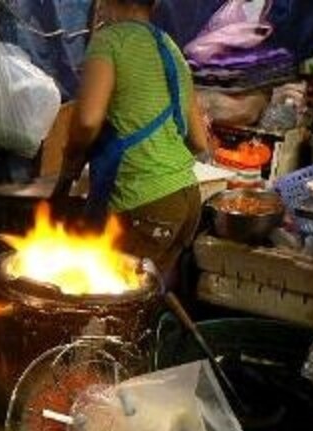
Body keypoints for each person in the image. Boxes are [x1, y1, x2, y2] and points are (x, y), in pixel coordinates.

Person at [52, 0, 209, 278]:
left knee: (106, 296)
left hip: (144, 204)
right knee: (146, 297)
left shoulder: (109, 42)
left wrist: (71, 159)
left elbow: (87, 121)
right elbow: (199, 142)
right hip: (185, 199)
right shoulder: (170, 48)